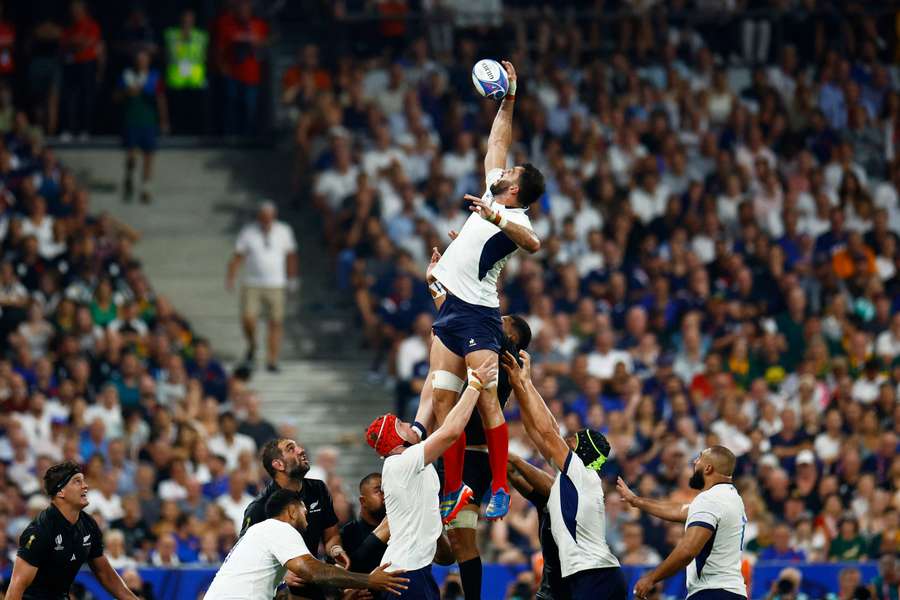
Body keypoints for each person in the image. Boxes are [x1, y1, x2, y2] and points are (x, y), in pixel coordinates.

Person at [424, 59, 544, 523]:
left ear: (516, 192)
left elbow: (533, 245)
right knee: (441, 398)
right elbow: (498, 139)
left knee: (488, 398)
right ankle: (453, 489)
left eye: (509, 175)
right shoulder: (495, 193)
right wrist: (509, 98)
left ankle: (497, 488)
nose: (502, 170)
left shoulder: (516, 218)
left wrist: (493, 217)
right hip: (450, 309)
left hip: (478, 315)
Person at [365, 357, 496, 599]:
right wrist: (475, 385)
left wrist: (438, 358)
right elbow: (451, 432)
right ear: (396, 440)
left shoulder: (407, 456)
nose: (410, 425)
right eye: (402, 425)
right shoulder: (402, 462)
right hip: (406, 575)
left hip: (412, 571)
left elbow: (427, 402)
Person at [500, 350, 625, 599]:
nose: (564, 440)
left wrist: (525, 382)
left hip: (594, 575)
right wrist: (520, 384)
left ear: (581, 450)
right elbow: (537, 430)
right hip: (591, 576)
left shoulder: (583, 473)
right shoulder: (577, 478)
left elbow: (548, 432)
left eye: (572, 440)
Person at [205, 488, 408, 599]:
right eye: (304, 511)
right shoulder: (279, 528)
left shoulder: (260, 534)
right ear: (292, 511)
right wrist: (369, 581)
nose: (307, 518)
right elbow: (314, 572)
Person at [618, 446, 748, 600]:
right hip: (733, 592)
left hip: (712, 592)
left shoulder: (710, 499)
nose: (694, 462)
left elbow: (688, 551)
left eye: (699, 458)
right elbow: (679, 510)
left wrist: (651, 578)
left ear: (708, 468)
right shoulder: (732, 498)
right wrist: (636, 501)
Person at [7, 461, 138, 599]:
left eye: (83, 481)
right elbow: (16, 587)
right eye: (77, 481)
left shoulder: (88, 525)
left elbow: (106, 575)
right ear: (61, 491)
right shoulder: (40, 530)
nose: (85, 486)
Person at [240, 438, 349, 600]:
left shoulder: (318, 489)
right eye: (291, 449)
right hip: (275, 591)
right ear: (279, 465)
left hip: (312, 581)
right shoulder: (259, 507)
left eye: (298, 446)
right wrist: (281, 576)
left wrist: (335, 550)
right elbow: (244, 557)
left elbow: (331, 535)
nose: (301, 450)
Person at [226, 201, 299, 372]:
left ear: (274, 216)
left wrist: (293, 278)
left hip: (276, 284)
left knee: (276, 322)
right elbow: (239, 255)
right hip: (253, 283)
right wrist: (231, 276)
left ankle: (272, 360)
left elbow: (291, 255)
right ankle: (252, 345)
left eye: (269, 217)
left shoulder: (284, 230)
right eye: (263, 217)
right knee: (248, 319)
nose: (266, 221)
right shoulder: (248, 232)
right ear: (259, 217)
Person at [506, 452, 570, 600]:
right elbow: (516, 478)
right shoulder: (545, 500)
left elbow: (549, 485)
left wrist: (514, 459)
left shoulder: (571, 499)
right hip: (550, 580)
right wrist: (505, 467)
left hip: (572, 577)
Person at [119, 49, 169, 203]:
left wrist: (163, 120)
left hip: (148, 122)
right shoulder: (127, 76)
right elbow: (116, 96)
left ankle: (145, 188)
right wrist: (127, 92)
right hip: (131, 120)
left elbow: (161, 99)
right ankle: (129, 177)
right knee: (132, 155)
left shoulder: (154, 77)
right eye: (139, 59)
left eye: (144, 59)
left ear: (148, 61)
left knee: (149, 156)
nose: (141, 62)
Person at [164, 9, 209, 134]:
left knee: (194, 110)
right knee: (177, 109)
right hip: (176, 79)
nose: (187, 22)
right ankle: (177, 132)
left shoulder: (201, 36)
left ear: (194, 20)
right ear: (180, 20)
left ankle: (195, 132)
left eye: (190, 19)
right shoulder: (171, 34)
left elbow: (204, 55)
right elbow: (168, 54)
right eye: (185, 19)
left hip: (195, 80)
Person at [340, 473, 389, 575]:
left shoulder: (399, 529)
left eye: (387, 491)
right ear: (363, 501)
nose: (385, 496)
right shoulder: (348, 533)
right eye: (379, 491)